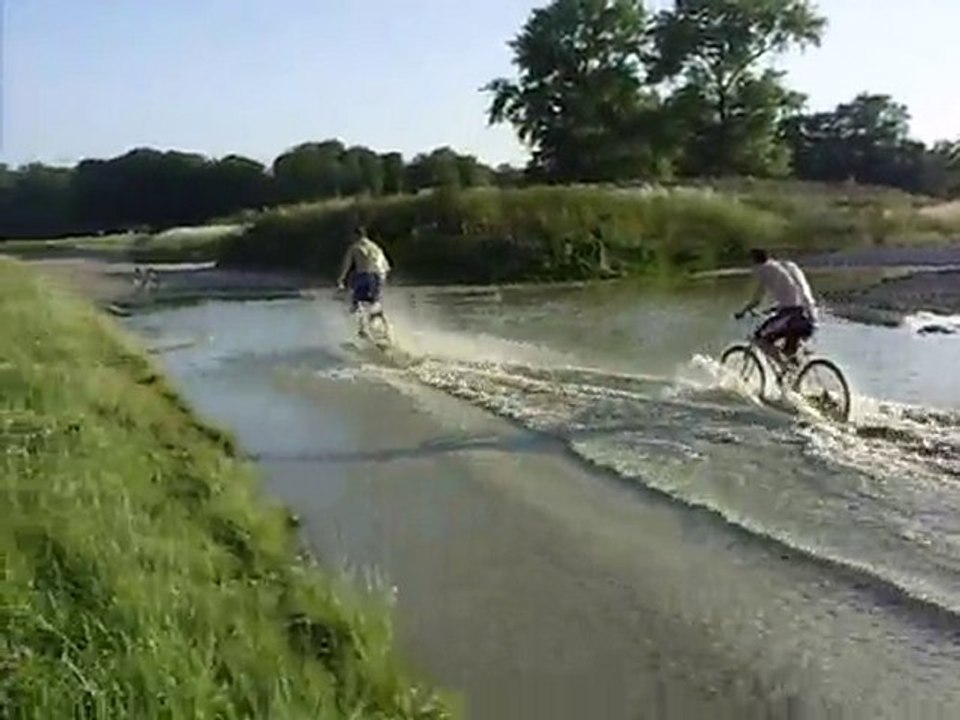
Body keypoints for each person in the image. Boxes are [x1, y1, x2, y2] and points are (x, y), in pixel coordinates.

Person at [735, 248, 817, 366]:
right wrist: (774, 309)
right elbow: (793, 294)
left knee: (760, 339)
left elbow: (757, 300)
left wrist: (743, 312)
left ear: (755, 261)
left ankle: (784, 366)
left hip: (791, 315)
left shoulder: (763, 270)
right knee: (788, 349)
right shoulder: (782, 266)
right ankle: (796, 371)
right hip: (806, 315)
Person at [336, 226, 392, 334]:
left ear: (356, 235)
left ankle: (363, 329)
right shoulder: (375, 247)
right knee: (375, 302)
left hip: (364, 276)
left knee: (357, 303)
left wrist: (341, 279)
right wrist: (382, 279)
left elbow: (347, 264)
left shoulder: (355, 247)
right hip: (378, 276)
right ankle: (385, 328)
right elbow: (386, 266)